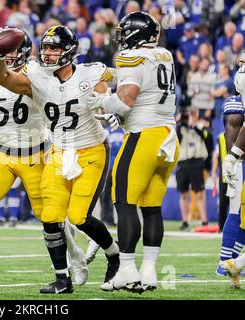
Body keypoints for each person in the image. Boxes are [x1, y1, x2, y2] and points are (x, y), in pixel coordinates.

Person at [0, 25, 120, 294]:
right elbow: (3, 78)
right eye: (46, 47)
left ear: (69, 51)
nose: (47, 53)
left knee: (80, 217)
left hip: (91, 151)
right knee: (50, 217)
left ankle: (114, 256)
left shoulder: (90, 71)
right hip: (59, 152)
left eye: (54, 48)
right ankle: (63, 279)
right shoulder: (35, 73)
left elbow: (120, 78)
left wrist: (107, 99)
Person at [0, 32, 89, 291]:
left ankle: (75, 255)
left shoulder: (40, 73)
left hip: (35, 154)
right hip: (2, 153)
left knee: (50, 217)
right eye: (5, 49)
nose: (10, 55)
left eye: (14, 49)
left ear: (26, 51)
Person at [91, 12, 179, 292]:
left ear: (135, 34)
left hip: (144, 136)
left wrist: (102, 101)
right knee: (151, 207)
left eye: (124, 32)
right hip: (168, 136)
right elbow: (145, 97)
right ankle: (149, 272)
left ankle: (128, 269)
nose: (120, 38)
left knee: (123, 200)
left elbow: (127, 99)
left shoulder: (131, 57)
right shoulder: (164, 54)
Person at [216, 95, 245, 276]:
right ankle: (224, 262)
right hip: (241, 163)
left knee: (243, 217)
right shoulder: (236, 103)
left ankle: (232, 262)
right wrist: (234, 160)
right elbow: (233, 134)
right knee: (236, 213)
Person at [176, 107, 209, 230]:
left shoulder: (201, 126)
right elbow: (177, 140)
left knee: (199, 193)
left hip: (196, 162)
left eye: (193, 112)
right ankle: (185, 221)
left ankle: (204, 221)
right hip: (183, 162)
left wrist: (193, 125)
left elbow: (207, 138)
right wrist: (180, 124)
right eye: (189, 113)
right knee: (184, 193)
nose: (191, 115)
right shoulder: (180, 128)